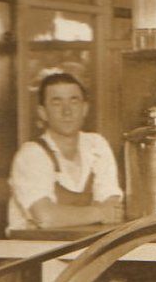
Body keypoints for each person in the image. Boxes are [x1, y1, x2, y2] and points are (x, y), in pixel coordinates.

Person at [7, 69, 125, 231]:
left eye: (74, 101)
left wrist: (97, 213)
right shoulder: (31, 155)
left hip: (85, 244)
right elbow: (45, 218)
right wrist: (100, 212)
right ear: (43, 113)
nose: (67, 111)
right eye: (57, 103)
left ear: (85, 108)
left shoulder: (96, 145)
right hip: (34, 245)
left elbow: (112, 205)